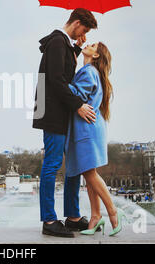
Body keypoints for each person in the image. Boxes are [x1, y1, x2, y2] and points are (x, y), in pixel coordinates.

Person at [33, 8, 98, 237]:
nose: (84, 33)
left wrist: (78, 48)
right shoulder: (59, 43)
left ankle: (71, 216)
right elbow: (57, 81)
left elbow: (64, 75)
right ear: (77, 22)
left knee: (72, 166)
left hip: (59, 111)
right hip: (54, 113)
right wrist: (79, 105)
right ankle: (49, 221)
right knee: (52, 165)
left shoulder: (63, 44)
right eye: (85, 29)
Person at [64, 42, 125, 236]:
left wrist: (60, 82)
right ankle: (95, 217)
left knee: (90, 174)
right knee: (88, 173)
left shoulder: (88, 72)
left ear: (96, 55)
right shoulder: (90, 71)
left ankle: (113, 212)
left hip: (86, 130)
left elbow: (77, 95)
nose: (87, 44)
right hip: (90, 128)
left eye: (92, 45)